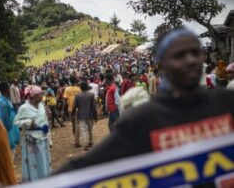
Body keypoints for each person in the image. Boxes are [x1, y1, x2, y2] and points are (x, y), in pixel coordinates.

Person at [56, 28, 234, 188]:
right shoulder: (143, 119)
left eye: (196, 52)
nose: (190, 60)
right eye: (179, 55)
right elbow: (90, 165)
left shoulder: (227, 102)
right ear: (162, 64)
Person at [14, 86, 51, 182]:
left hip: (43, 138)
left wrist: (49, 139)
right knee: (33, 164)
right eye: (40, 94)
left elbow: (45, 120)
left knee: (43, 161)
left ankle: (45, 182)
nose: (42, 96)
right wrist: (28, 123)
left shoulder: (41, 105)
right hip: (31, 140)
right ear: (34, 96)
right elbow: (16, 122)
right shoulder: (24, 108)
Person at [0, 82, 20, 161]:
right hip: (8, 132)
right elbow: (6, 122)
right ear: (7, 90)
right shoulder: (2, 102)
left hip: (9, 130)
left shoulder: (3, 100)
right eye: (9, 88)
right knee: (10, 155)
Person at [72, 81, 98, 150]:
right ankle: (91, 142)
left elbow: (74, 107)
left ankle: (85, 144)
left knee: (83, 130)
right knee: (90, 129)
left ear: (80, 88)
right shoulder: (91, 95)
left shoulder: (77, 96)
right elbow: (94, 107)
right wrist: (96, 116)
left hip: (81, 115)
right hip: (90, 115)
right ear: (86, 87)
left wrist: (72, 114)